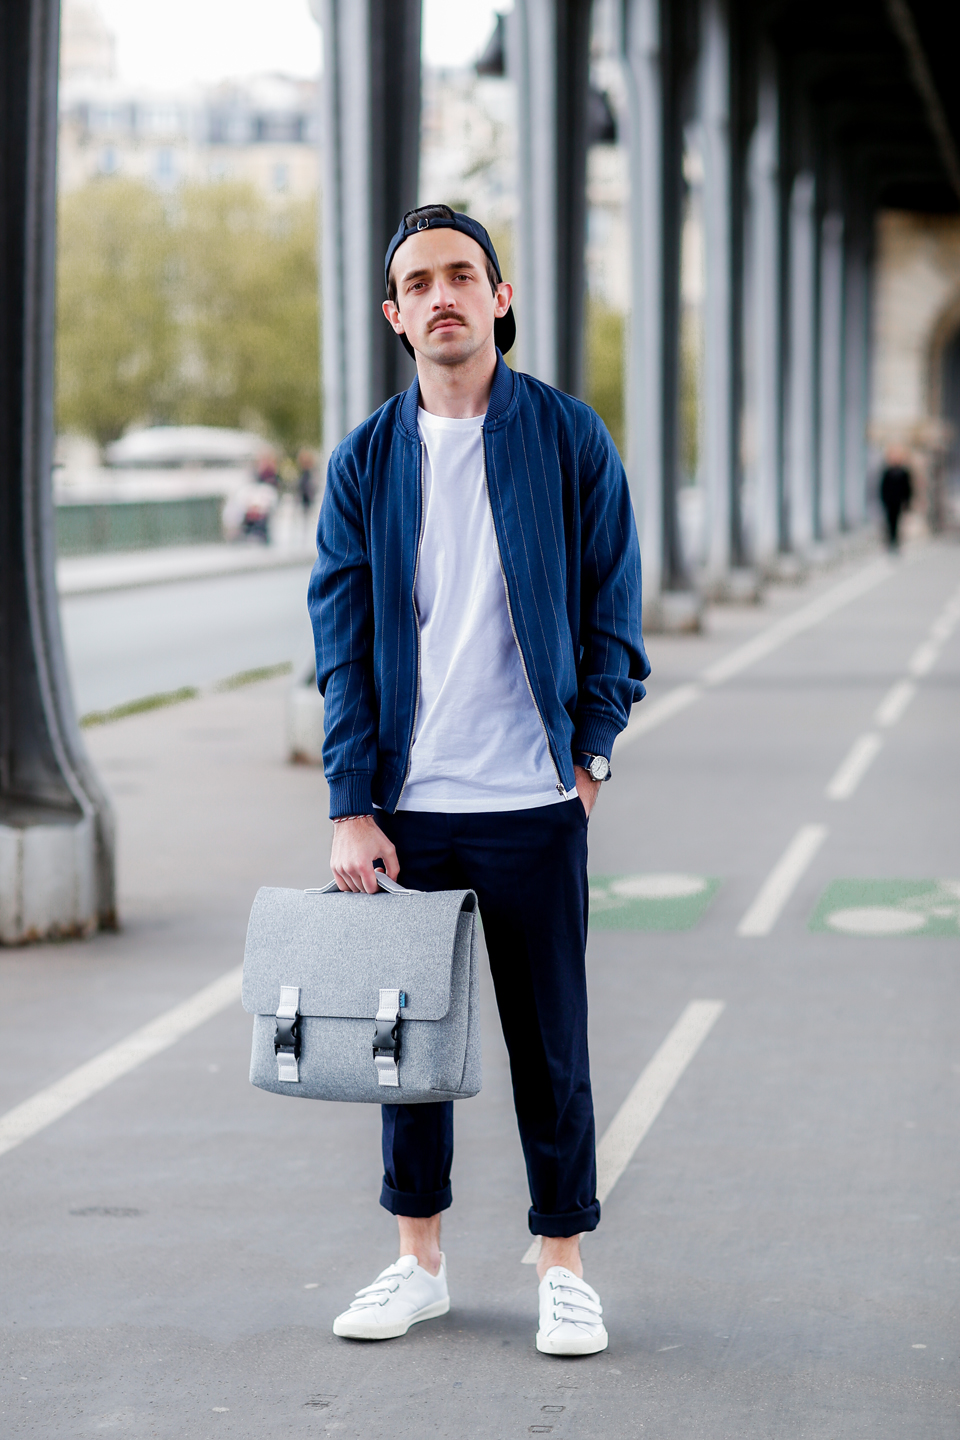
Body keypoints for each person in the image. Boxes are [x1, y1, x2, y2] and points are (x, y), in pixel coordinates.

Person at [308, 204, 649, 1356]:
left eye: (464, 275)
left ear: (500, 299)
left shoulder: (565, 436)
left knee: (551, 1043)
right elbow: (342, 641)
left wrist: (589, 760)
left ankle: (563, 1262)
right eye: (421, 282)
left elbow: (615, 608)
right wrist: (351, 804)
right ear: (396, 316)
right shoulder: (365, 460)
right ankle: (420, 1262)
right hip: (409, 809)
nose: (443, 294)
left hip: (536, 804)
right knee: (407, 1049)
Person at [879, 445, 914, 550]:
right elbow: (883, 488)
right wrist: (884, 500)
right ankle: (891, 541)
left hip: (899, 502)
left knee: (898, 522)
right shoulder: (887, 472)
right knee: (890, 522)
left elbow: (907, 488)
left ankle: (896, 541)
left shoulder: (903, 473)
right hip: (889, 502)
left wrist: (907, 502)